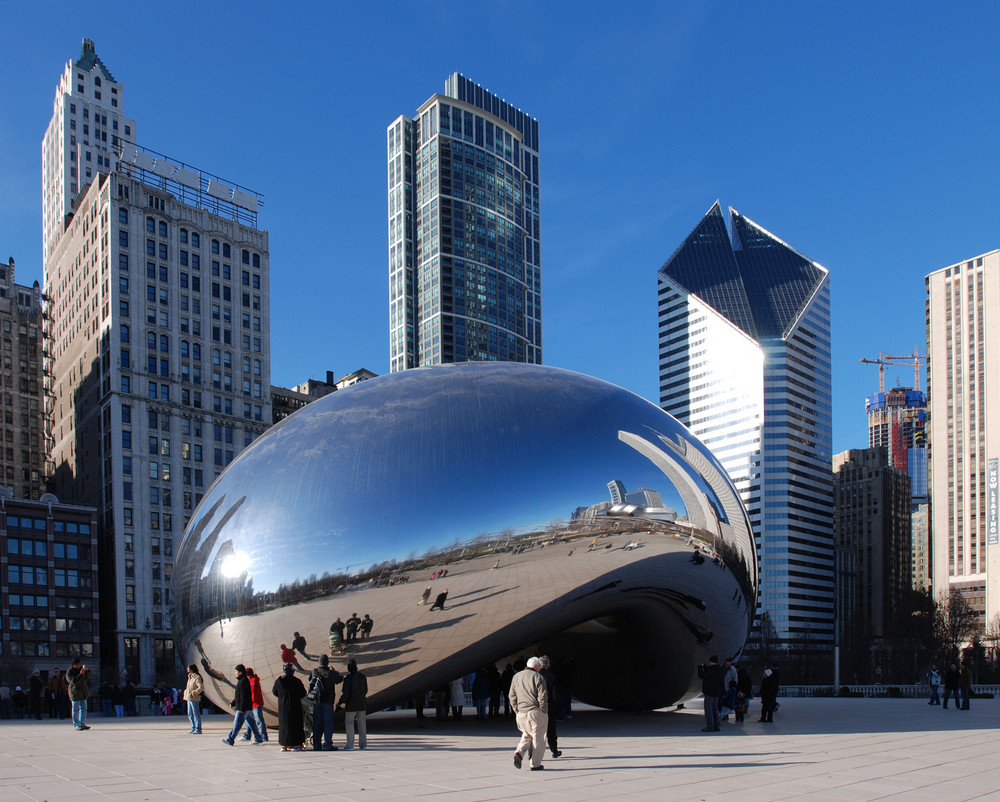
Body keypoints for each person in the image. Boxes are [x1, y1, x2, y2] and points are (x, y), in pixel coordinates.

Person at [509, 656, 548, 771]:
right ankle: (535, 764)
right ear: (535, 666)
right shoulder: (538, 677)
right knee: (539, 738)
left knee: (527, 734)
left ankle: (519, 753)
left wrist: (516, 709)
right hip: (535, 711)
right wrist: (543, 710)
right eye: (539, 666)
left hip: (521, 712)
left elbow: (512, 696)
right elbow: (542, 696)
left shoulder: (516, 677)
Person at [222, 664, 264, 746]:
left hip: (244, 708)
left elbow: (244, 696)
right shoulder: (242, 681)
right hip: (247, 707)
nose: (235, 673)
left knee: (237, 723)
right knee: (251, 723)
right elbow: (239, 695)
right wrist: (233, 703)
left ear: (240, 672)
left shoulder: (243, 681)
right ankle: (258, 738)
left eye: (236, 671)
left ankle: (230, 739)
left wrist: (241, 709)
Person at [272, 662, 307, 751]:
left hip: (283, 707)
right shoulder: (296, 681)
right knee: (296, 725)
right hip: (295, 706)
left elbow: (275, 692)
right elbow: (303, 693)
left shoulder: (279, 681)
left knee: (284, 725)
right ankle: (296, 744)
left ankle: (284, 745)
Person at [311, 654, 342, 751]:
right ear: (327, 663)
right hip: (328, 701)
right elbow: (340, 679)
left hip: (317, 701)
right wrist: (334, 670)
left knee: (317, 724)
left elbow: (311, 681)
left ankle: (316, 744)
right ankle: (327, 744)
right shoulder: (331, 673)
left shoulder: (314, 672)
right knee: (328, 723)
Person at [338, 658, 368, 751]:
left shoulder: (348, 678)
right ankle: (363, 744)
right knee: (362, 723)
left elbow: (346, 693)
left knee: (349, 723)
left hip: (351, 704)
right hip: (362, 703)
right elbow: (365, 690)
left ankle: (350, 745)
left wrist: (340, 702)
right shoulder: (362, 676)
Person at [538, 656, 562, 757]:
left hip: (537, 707)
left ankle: (532, 753)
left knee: (536, 731)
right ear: (548, 665)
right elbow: (555, 695)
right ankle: (554, 751)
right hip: (549, 707)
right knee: (551, 731)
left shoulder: (535, 676)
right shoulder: (552, 677)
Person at [241, 668, 269, 742]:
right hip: (253, 704)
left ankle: (264, 736)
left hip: (255, 704)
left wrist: (250, 702)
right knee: (249, 720)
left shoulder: (253, 681)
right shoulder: (251, 680)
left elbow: (254, 693)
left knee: (259, 720)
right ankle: (247, 735)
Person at [697, 655, 723, 732]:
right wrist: (705, 667)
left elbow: (702, 675)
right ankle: (716, 725)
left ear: (712, 662)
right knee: (715, 710)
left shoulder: (711, 670)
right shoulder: (718, 670)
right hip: (715, 693)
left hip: (709, 692)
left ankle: (710, 726)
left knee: (708, 710)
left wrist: (699, 668)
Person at [66, 657, 91, 731]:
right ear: (73, 665)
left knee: (84, 709)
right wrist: (80, 674)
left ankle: (82, 723)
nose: (79, 666)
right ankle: (76, 724)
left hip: (83, 692)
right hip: (75, 693)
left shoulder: (81, 670)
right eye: (77, 664)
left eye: (79, 664)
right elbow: (74, 681)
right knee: (75, 709)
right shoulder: (70, 672)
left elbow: (87, 677)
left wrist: (87, 671)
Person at [184, 664, 204, 734]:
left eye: (188, 668)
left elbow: (201, 687)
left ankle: (198, 728)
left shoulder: (197, 677)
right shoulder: (190, 677)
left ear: (191, 669)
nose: (187, 669)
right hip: (188, 697)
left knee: (196, 713)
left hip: (194, 697)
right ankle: (193, 727)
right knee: (190, 713)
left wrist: (194, 693)